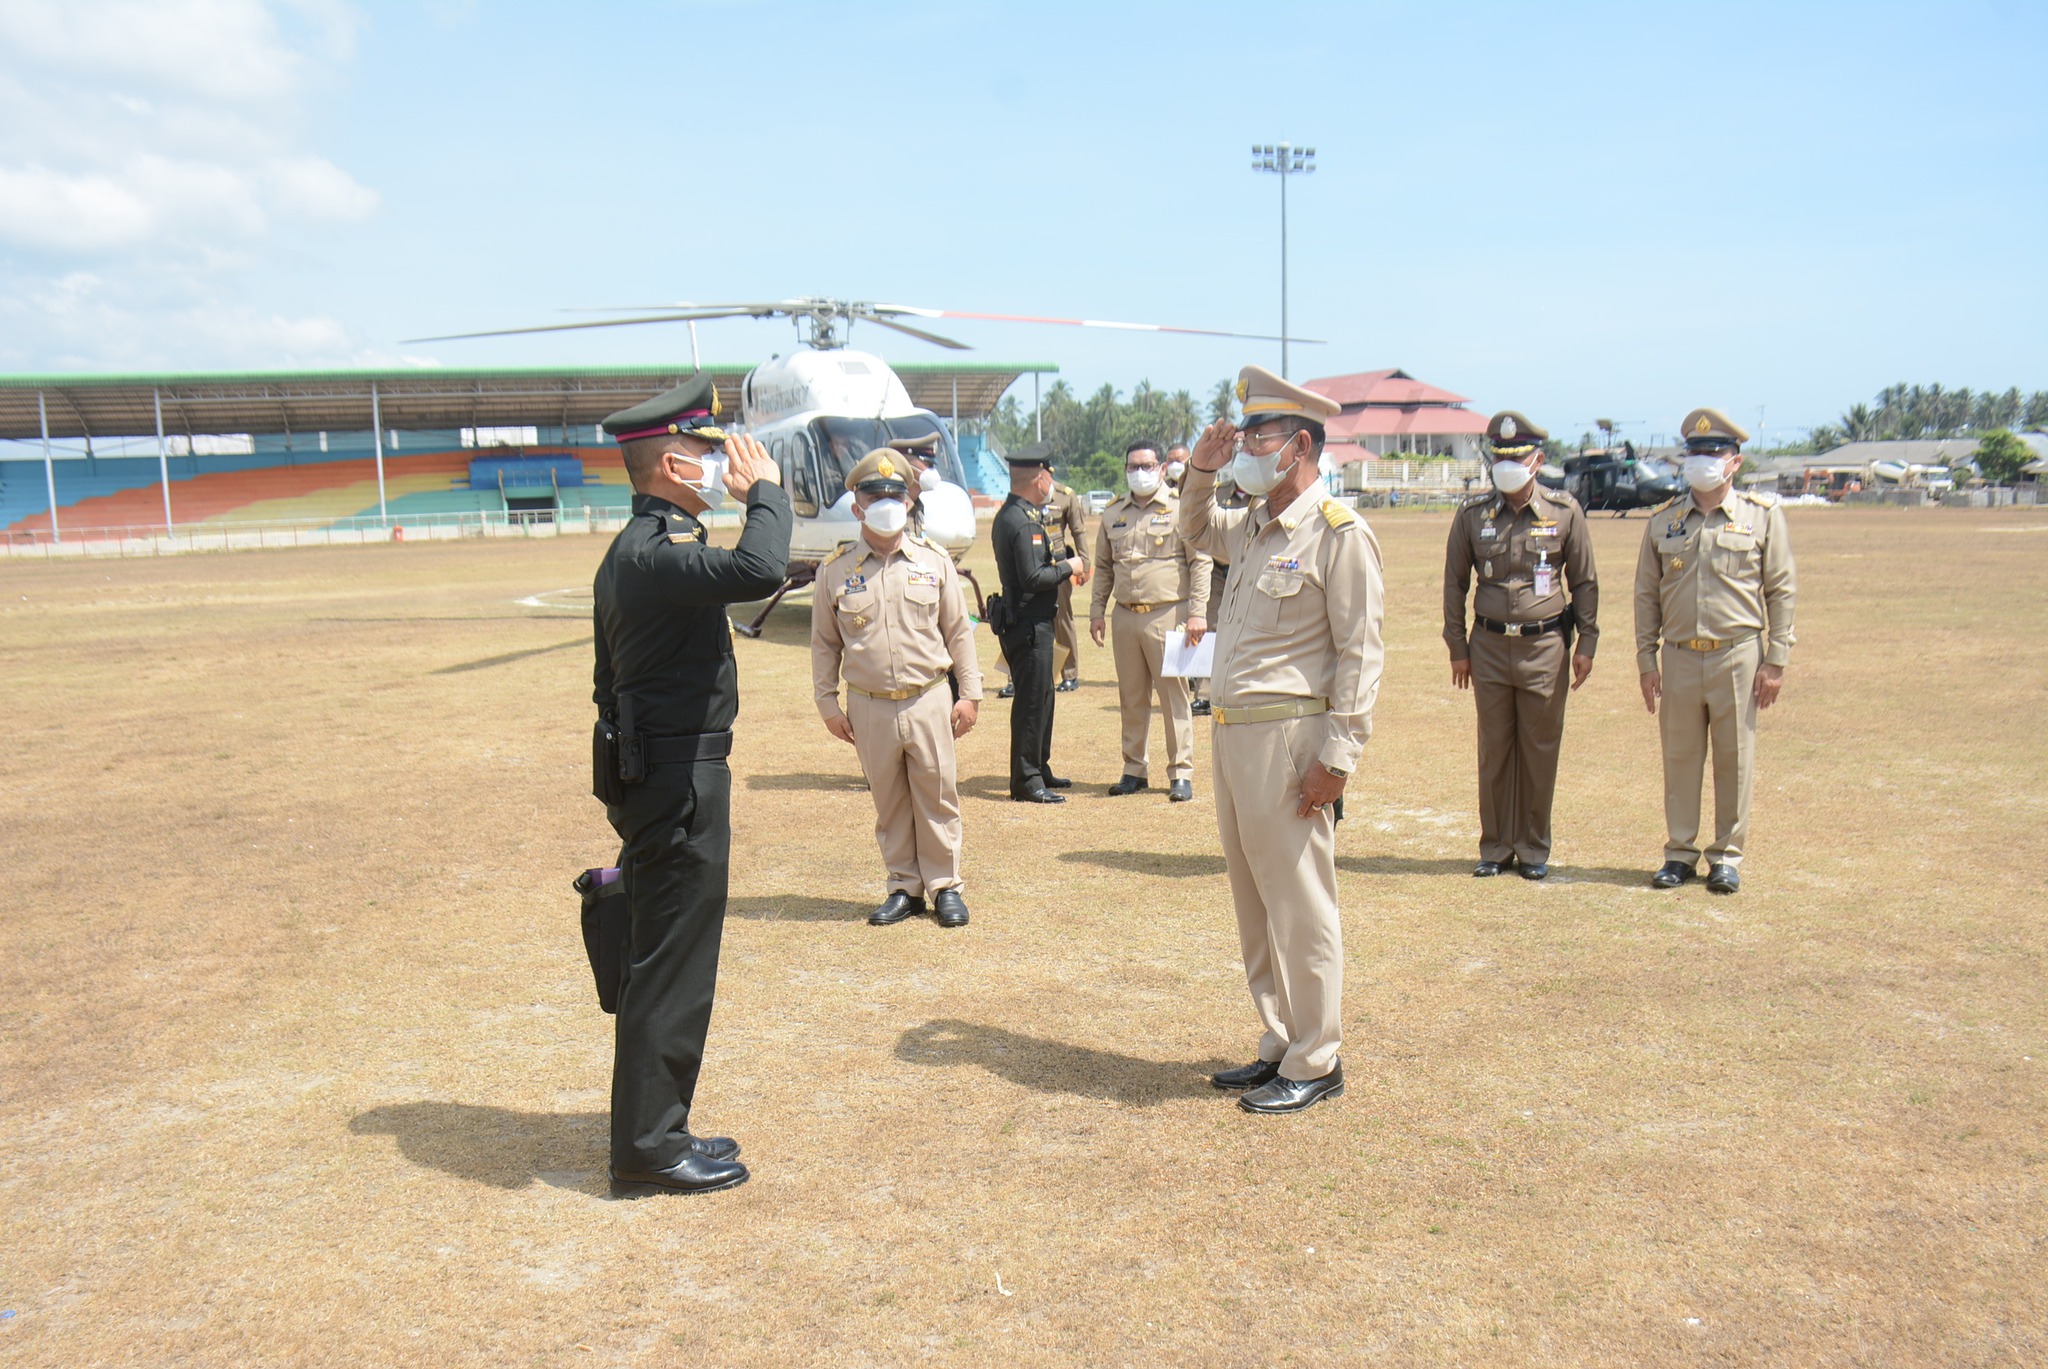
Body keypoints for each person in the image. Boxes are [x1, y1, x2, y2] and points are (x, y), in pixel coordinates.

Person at [591, 374, 791, 1195]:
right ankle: (647, 1148)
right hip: (676, 779)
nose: (724, 461)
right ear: (675, 463)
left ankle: (659, 1125)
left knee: (666, 959)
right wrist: (766, 491)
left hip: (667, 772)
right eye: (711, 450)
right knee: (671, 962)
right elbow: (760, 563)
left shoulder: (645, 549)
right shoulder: (653, 552)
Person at [1180, 365, 1384, 1115]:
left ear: (1299, 444)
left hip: (1291, 739)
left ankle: (1318, 1055)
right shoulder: (1257, 527)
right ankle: (1279, 1040)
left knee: (1300, 902)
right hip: (1235, 737)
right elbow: (1194, 529)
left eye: (1258, 432)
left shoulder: (1338, 535)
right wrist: (1203, 470)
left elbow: (1361, 652)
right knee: (1255, 897)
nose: (1245, 442)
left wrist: (1338, 756)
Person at [812, 450, 982, 928]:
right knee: (889, 801)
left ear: (908, 502)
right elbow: (825, 643)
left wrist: (969, 694)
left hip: (929, 698)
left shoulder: (935, 561)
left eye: (894, 493)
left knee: (937, 794)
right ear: (857, 506)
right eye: (874, 495)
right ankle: (904, 887)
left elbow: (958, 631)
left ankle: (945, 885)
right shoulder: (836, 570)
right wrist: (826, 702)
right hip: (867, 706)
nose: (885, 501)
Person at [1635, 407, 1797, 895]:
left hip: (1739, 656)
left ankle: (1726, 856)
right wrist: (1646, 659)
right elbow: (1647, 594)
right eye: (1695, 452)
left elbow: (1781, 590)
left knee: (1735, 759)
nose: (1701, 460)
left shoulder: (1761, 517)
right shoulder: (1665, 520)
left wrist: (1777, 658)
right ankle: (1679, 853)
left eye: (1713, 453)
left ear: (1735, 462)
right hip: (1680, 656)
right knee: (1680, 760)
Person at [1443, 411, 1599, 880]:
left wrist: (1586, 641)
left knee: (1539, 747)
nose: (1505, 466)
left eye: (1516, 458)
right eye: (1499, 458)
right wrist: (1457, 646)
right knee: (1495, 748)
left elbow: (1585, 582)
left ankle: (1532, 848)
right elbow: (1455, 583)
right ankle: (1494, 846)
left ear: (1537, 461)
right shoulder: (1473, 515)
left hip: (1545, 646)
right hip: (1487, 645)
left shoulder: (1564, 511)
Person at [1090, 439, 1212, 801]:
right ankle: (1133, 769)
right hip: (1126, 616)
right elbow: (1103, 568)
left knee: (1174, 697)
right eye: (1132, 467)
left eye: (1146, 466)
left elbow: (1200, 562)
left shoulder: (1180, 509)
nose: (1139, 473)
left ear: (1161, 469)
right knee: (1131, 697)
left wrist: (1198, 613)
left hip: (1169, 614)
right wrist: (1097, 611)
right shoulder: (1113, 513)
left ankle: (1181, 773)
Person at [993, 444, 1086, 802]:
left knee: (1044, 697)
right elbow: (1033, 577)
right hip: (1029, 624)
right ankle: (1026, 779)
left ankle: (1039, 766)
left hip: (1035, 622)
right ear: (1041, 477)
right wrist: (1070, 567)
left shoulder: (1018, 515)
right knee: (1031, 702)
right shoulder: (1021, 520)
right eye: (1049, 477)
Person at [1188, 472, 1246, 718]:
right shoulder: (1219, 492)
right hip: (1218, 573)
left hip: (1250, 570)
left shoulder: (1268, 494)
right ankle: (1204, 694)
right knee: (1209, 630)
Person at [1047, 477, 1091, 692]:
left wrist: (1085, 562)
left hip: (1057, 565)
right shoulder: (1022, 491)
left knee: (1061, 619)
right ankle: (1016, 678)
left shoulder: (1065, 495)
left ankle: (1070, 674)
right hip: (1027, 565)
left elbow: (1078, 531)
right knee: (1019, 620)